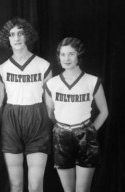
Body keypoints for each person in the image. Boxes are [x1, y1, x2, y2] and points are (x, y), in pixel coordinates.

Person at [44, 37, 108, 192]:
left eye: (71, 54)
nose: (66, 58)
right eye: (63, 54)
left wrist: (89, 131)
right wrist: (63, 127)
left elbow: (104, 112)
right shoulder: (51, 83)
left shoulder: (92, 81)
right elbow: (50, 113)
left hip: (85, 135)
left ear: (79, 55)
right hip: (61, 135)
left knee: (82, 190)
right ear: (58, 56)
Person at [0, 17, 52, 192]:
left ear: (27, 35)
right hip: (11, 120)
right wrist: (6, 123)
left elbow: (50, 103)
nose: (17, 38)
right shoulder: (2, 68)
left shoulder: (44, 65)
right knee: (16, 185)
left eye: (20, 33)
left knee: (35, 186)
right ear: (7, 39)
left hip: (37, 119)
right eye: (12, 35)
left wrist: (47, 123)